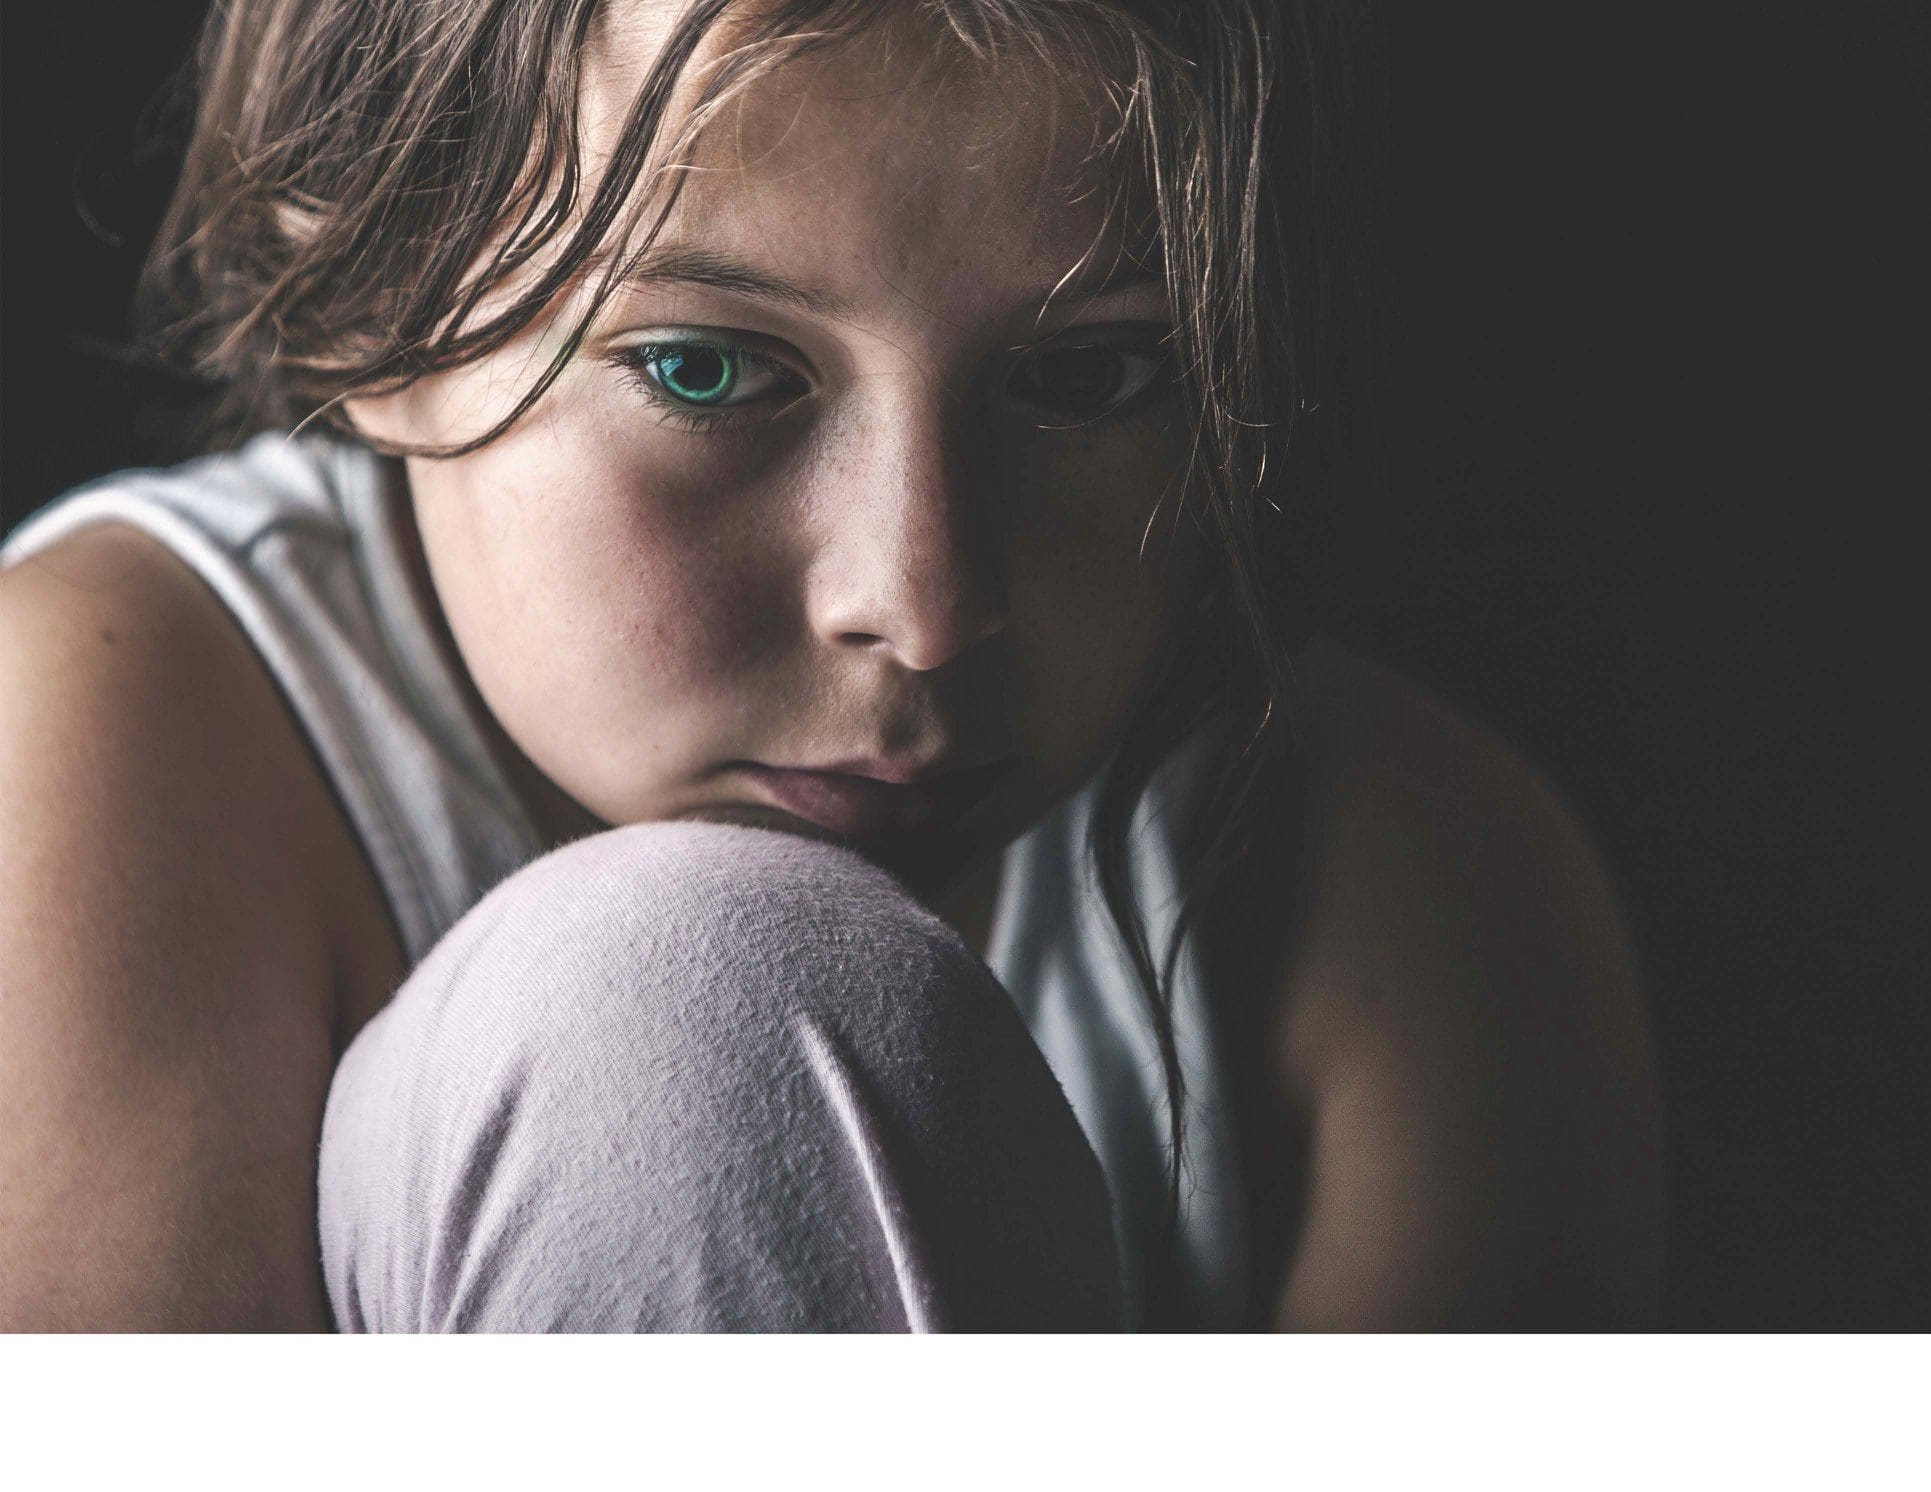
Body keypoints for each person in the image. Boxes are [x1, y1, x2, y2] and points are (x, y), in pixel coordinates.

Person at [0, 0, 1665, 1331]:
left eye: (1093, 380)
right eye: (711, 370)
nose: (926, 608)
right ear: (370, 288)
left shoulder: (1398, 896)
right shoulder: (102, 738)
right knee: (666, 1003)